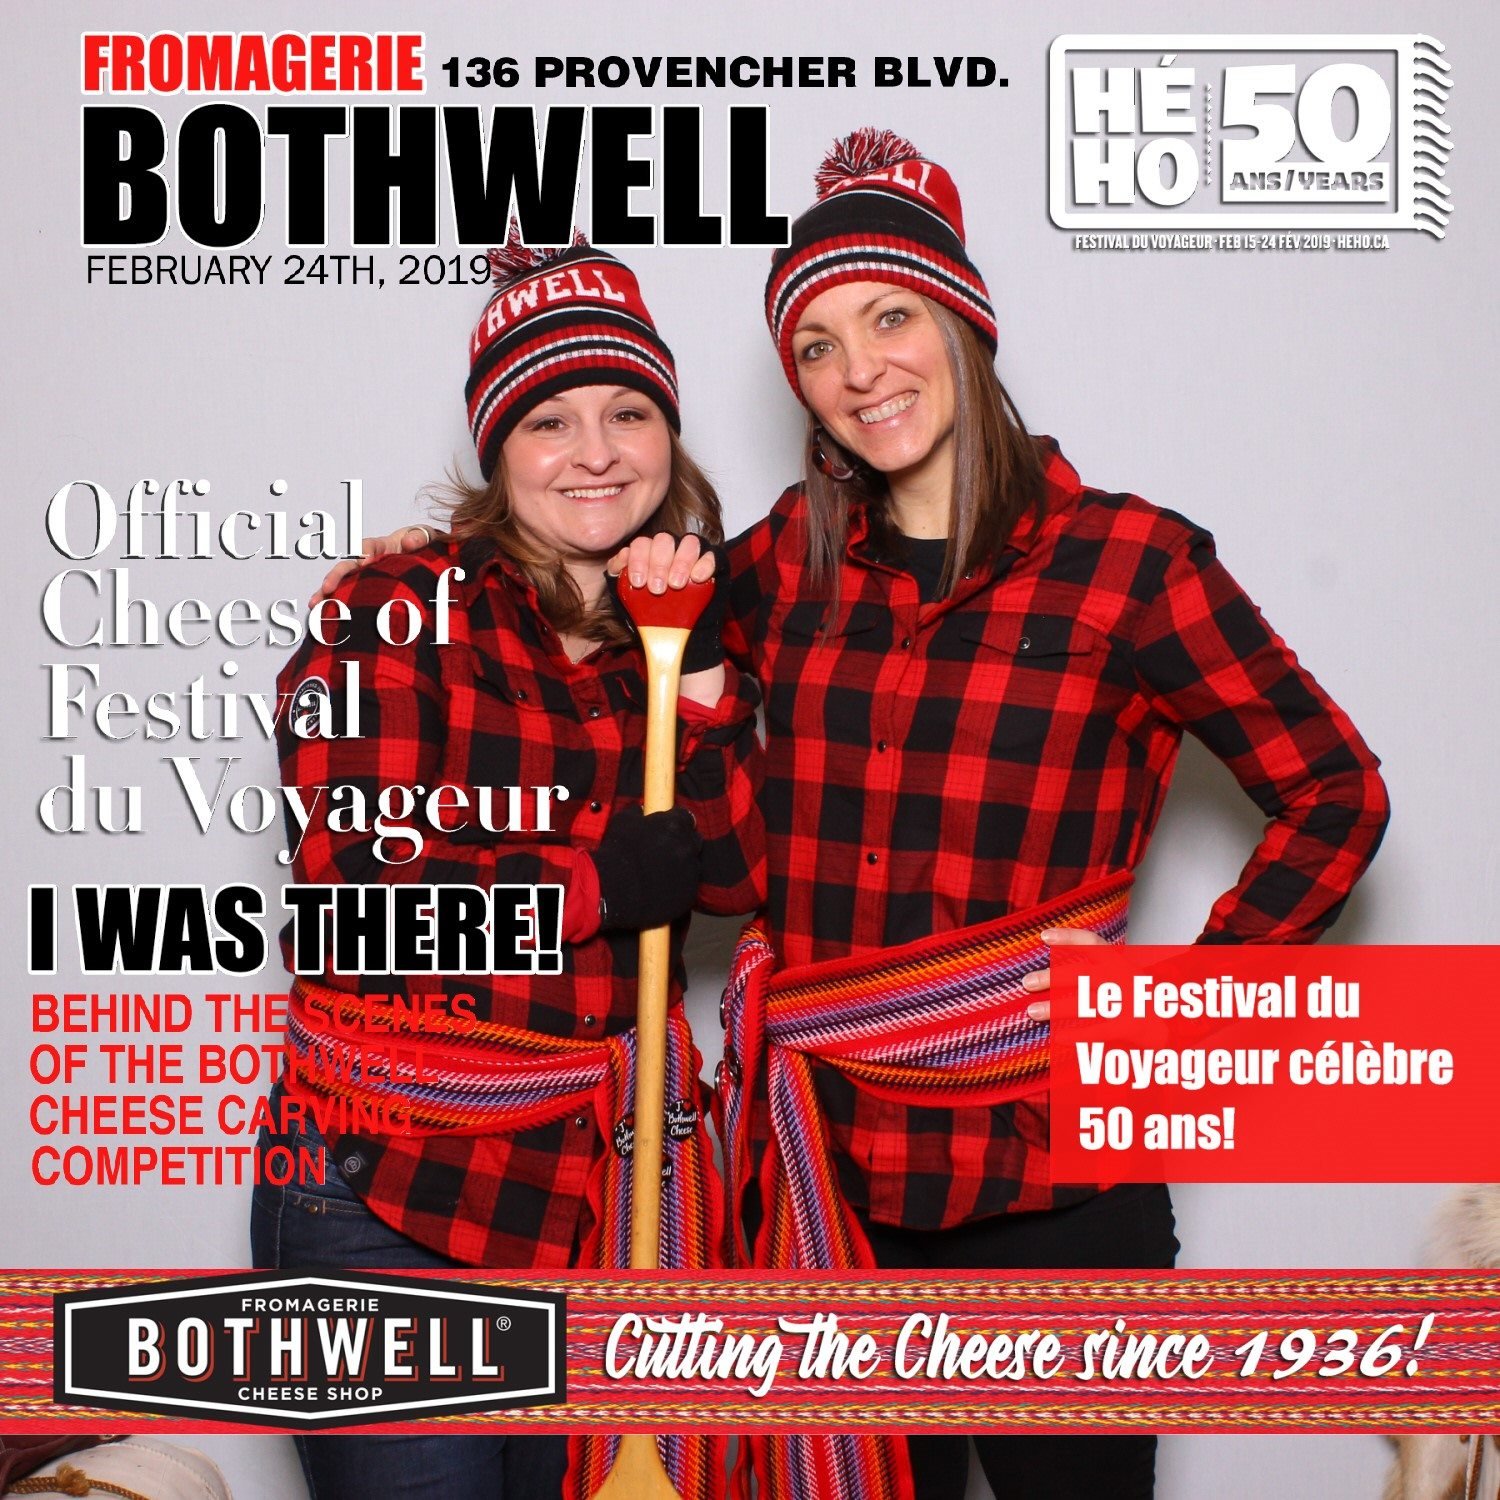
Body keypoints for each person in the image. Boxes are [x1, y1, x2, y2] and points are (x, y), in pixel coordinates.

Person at [621, 128, 1390, 1500]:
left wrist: (1184, 1018)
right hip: (830, 1195)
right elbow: (614, 624)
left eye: (890, 318)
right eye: (816, 346)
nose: (859, 373)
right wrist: (447, 559)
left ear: (964, 328)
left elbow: (1335, 791)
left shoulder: (1132, 564)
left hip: (1057, 1203)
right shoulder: (786, 563)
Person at [253, 235, 763, 1500]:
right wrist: (598, 886)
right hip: (389, 1207)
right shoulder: (388, 612)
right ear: (499, 452)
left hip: (588, 1208)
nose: (596, 452)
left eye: (627, 412)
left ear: (669, 435)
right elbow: (351, 902)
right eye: (549, 420)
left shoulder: (682, 625)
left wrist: (694, 689)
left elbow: (743, 880)